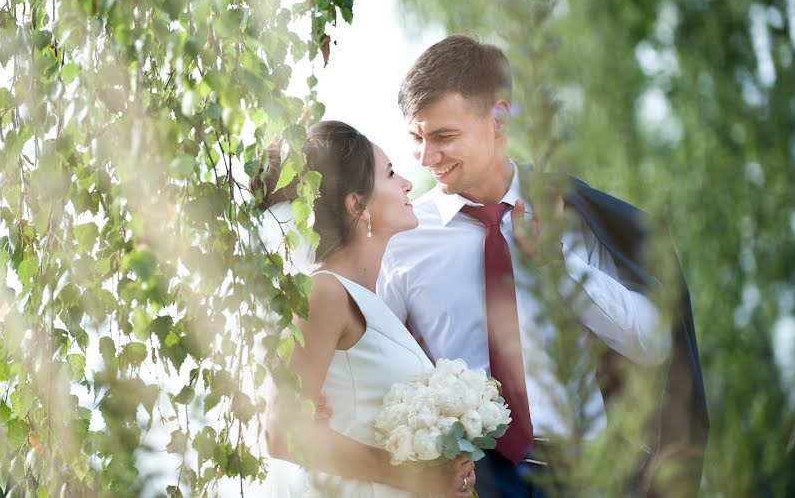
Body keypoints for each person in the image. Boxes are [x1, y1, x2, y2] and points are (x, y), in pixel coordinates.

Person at [378, 36, 708, 497]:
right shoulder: (401, 238)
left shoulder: (573, 217)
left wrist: (563, 264)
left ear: (499, 117)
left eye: (444, 137)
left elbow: (653, 346)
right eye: (417, 138)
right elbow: (376, 367)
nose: (427, 159)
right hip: (473, 481)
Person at [259, 121, 477, 498]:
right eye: (391, 174)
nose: (408, 183)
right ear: (357, 204)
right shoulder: (323, 291)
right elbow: (283, 432)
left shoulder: (373, 303)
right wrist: (409, 475)